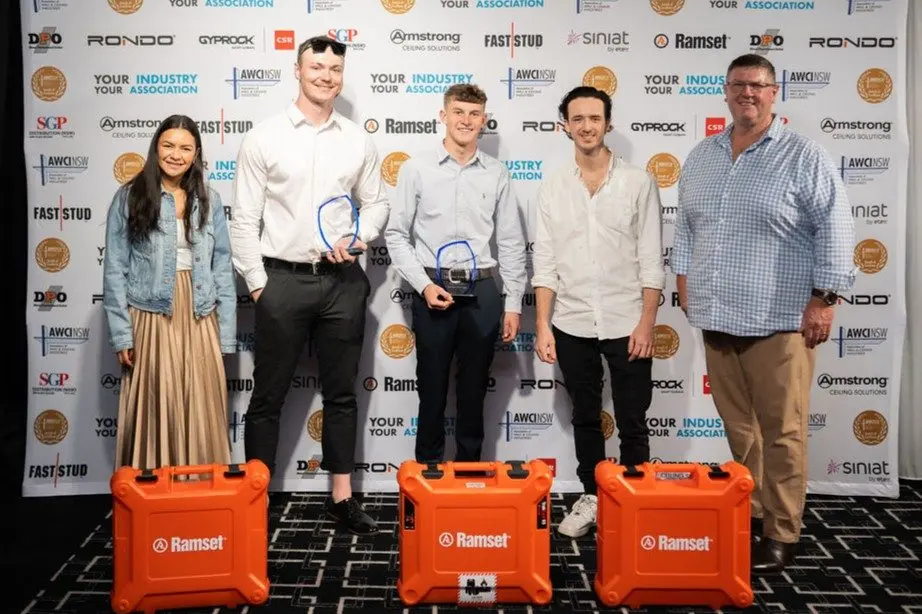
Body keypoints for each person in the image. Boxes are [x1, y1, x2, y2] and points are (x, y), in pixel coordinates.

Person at [672, 54, 856, 572]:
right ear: (725, 92)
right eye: (738, 85)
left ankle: (783, 529)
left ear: (774, 93)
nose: (747, 93)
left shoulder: (804, 156)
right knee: (741, 431)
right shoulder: (702, 155)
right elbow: (686, 226)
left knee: (783, 431)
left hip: (780, 320)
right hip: (718, 317)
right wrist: (685, 282)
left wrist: (824, 299)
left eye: (758, 85)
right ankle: (753, 512)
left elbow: (837, 230)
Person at [230, 35, 389, 534]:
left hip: (343, 283)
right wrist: (259, 286)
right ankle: (255, 498)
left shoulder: (358, 139)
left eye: (334, 69)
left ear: (342, 76)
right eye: (316, 66)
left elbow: (378, 203)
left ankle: (341, 498)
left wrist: (360, 238)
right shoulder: (264, 137)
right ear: (297, 71)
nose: (326, 75)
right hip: (282, 281)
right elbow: (244, 220)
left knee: (341, 395)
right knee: (267, 397)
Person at [532, 86, 664, 538]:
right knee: (585, 416)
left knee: (632, 418)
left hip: (628, 320)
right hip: (571, 321)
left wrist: (647, 321)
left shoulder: (638, 182)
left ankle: (632, 498)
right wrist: (542, 327)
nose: (586, 126)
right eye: (577, 118)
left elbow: (651, 260)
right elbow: (544, 264)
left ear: (608, 123)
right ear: (564, 125)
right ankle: (592, 495)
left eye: (594, 118)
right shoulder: (551, 187)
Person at [385, 83, 526, 464]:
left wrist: (513, 304)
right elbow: (396, 235)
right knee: (430, 391)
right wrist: (425, 285)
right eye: (458, 112)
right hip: (433, 287)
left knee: (474, 392)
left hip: (481, 290)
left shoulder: (497, 173)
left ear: (484, 120)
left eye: (474, 114)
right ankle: (427, 477)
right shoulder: (416, 169)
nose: (466, 120)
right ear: (443, 115)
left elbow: (511, 242)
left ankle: (468, 476)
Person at [103, 114, 237, 471]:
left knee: (200, 403)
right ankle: (154, 489)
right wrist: (121, 334)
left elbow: (221, 267)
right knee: (155, 401)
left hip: (199, 311)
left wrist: (225, 336)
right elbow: (115, 268)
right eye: (168, 145)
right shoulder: (130, 196)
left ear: (195, 154)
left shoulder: (210, 199)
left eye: (185, 148)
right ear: (156, 148)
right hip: (150, 313)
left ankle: (200, 489)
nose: (175, 155)